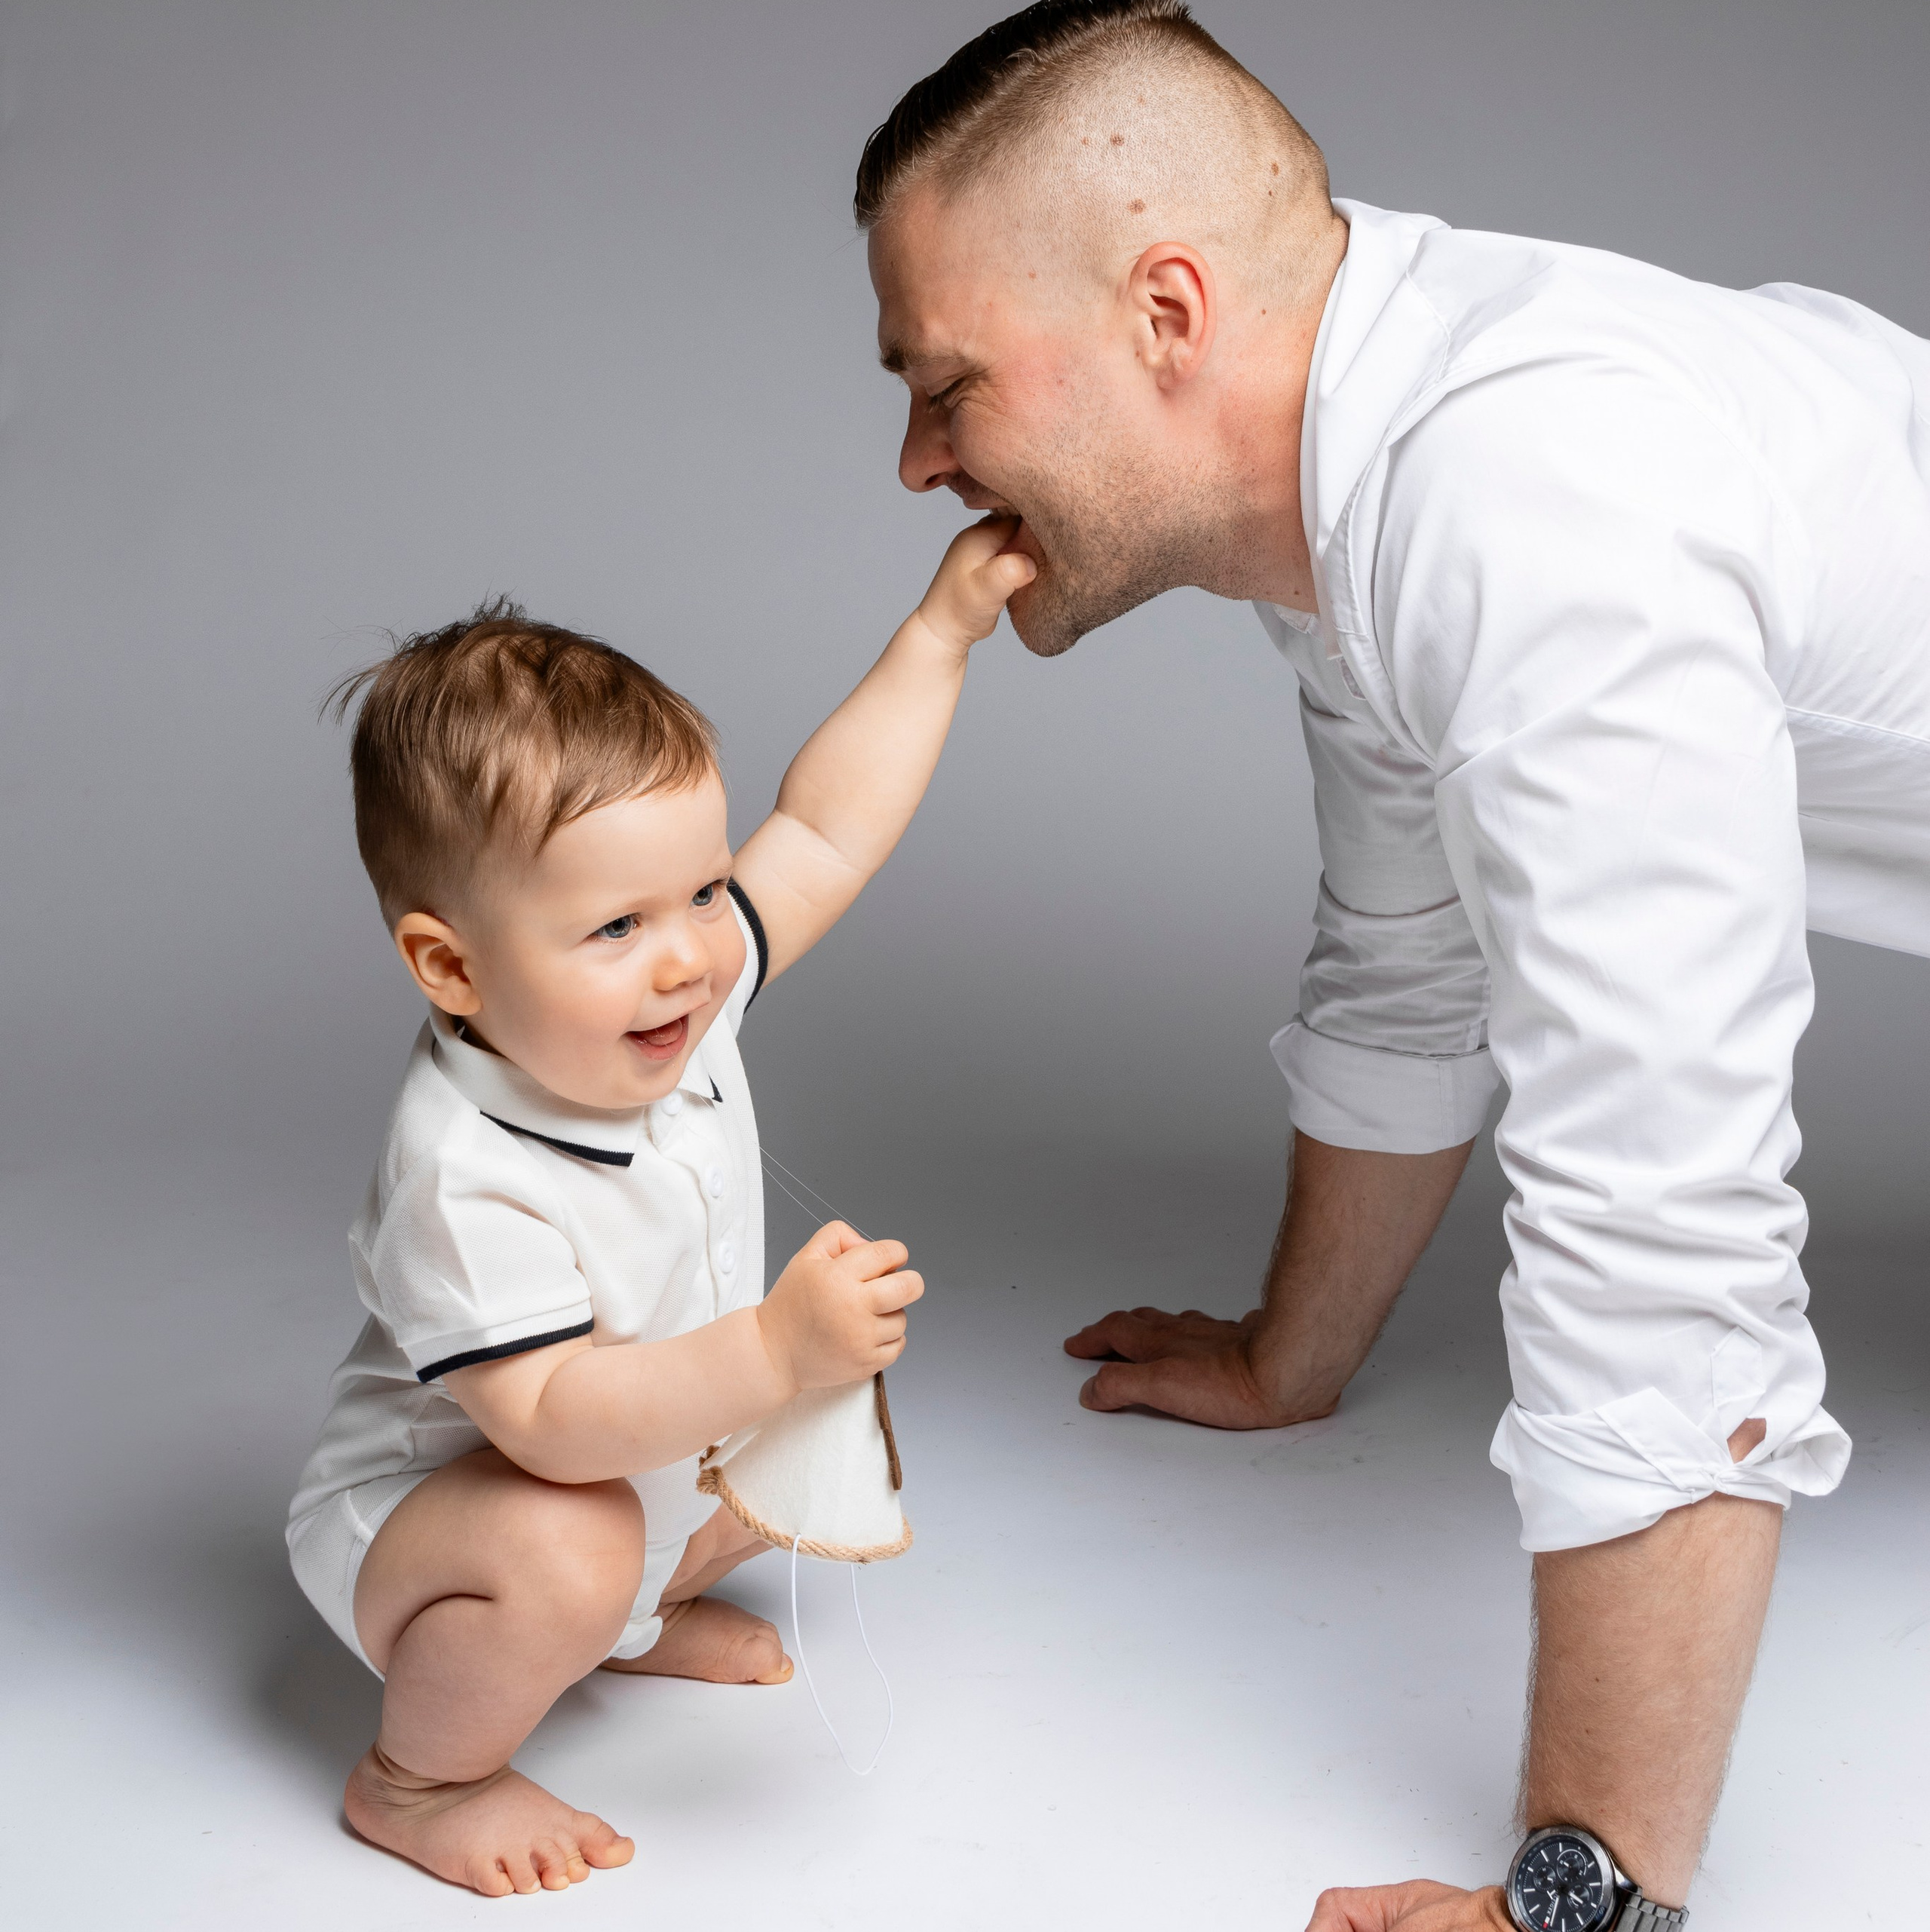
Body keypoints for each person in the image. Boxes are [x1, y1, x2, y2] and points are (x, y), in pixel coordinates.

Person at [856, 3, 1928, 1927]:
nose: (915, 460)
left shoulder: (1522, 501)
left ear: (1164, 313)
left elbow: (1663, 1209)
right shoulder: (1363, 480)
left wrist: (1586, 1894)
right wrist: (1292, 1357)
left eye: (947, 384)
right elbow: (1407, 960)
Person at [283, 523, 1033, 1896]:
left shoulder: (668, 999)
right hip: (434, 1525)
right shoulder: (461, 1167)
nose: (690, 955)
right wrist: (772, 1348)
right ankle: (419, 1778)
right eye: (617, 926)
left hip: (622, 1460)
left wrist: (940, 635)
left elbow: (823, 831)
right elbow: (552, 1419)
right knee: (583, 1531)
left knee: (789, 1434)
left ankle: (621, 1621)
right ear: (452, 967)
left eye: (699, 890)